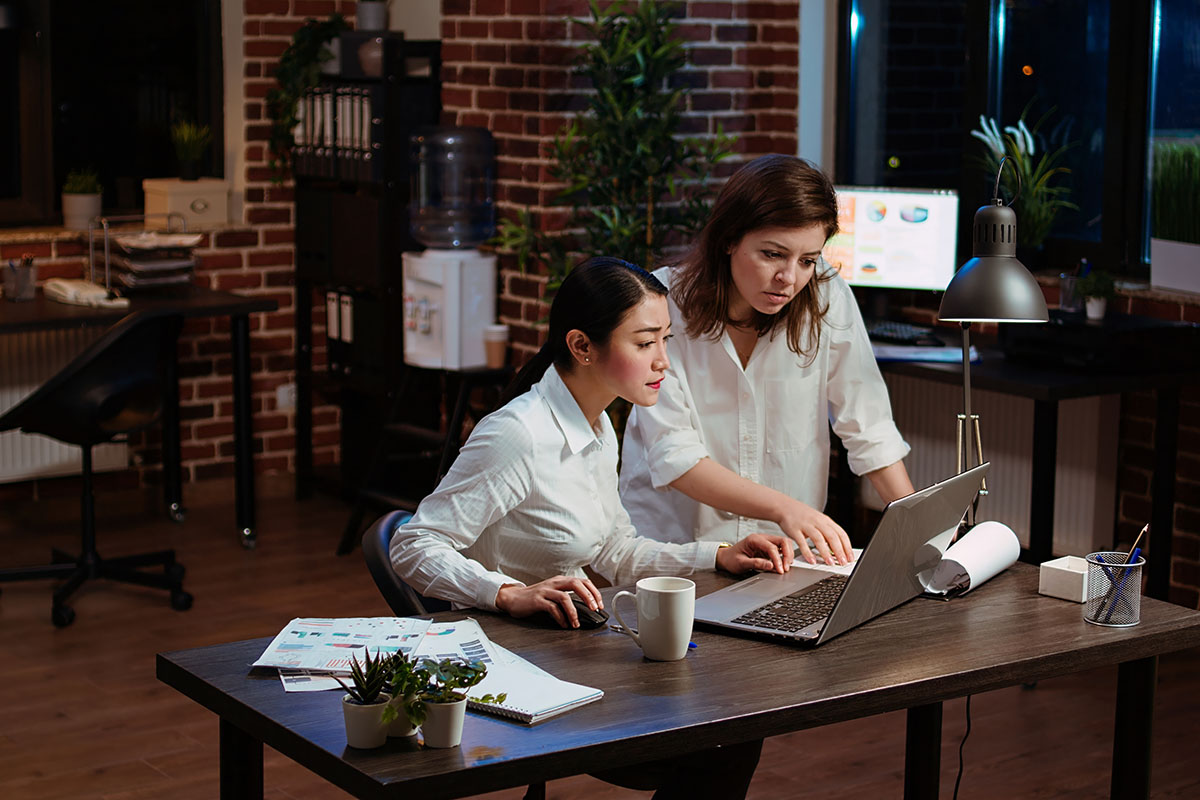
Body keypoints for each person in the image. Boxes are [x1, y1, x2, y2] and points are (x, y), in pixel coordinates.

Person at [390, 256, 787, 798]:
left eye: (665, 340)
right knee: (721, 738)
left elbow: (615, 551)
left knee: (734, 723)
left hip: (570, 647)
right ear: (581, 346)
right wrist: (506, 593)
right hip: (520, 662)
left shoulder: (598, 425)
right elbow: (414, 544)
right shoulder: (519, 435)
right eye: (644, 343)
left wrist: (718, 555)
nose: (663, 361)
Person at [619, 154, 915, 568]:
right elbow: (675, 457)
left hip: (784, 556)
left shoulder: (827, 296)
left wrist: (916, 522)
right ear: (729, 239)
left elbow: (868, 426)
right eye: (773, 254)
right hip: (678, 554)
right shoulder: (663, 303)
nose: (789, 278)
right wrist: (785, 509)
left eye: (808, 260)